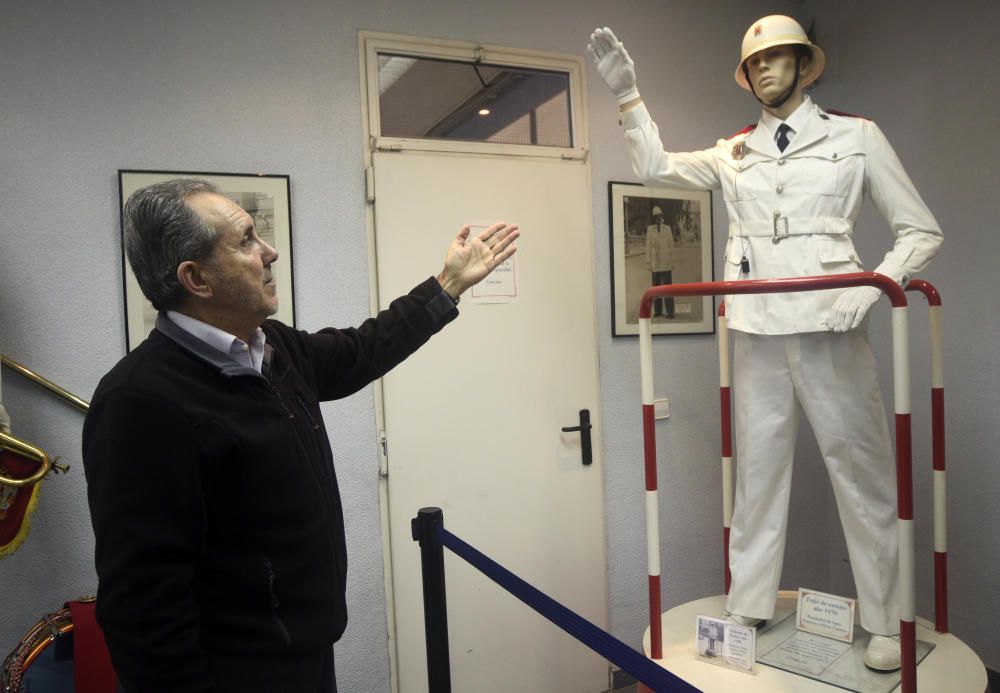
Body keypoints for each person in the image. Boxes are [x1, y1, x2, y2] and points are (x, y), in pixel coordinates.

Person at [589, 15, 942, 671]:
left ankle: (886, 617)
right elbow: (656, 166)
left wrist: (871, 289)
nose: (766, 70)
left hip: (831, 329)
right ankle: (748, 602)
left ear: (806, 65)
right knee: (755, 477)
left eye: (780, 58)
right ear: (745, 75)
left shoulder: (856, 137)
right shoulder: (733, 152)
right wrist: (629, 96)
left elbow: (919, 230)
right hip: (755, 333)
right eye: (756, 62)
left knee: (863, 477)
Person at [82, 178, 518, 692]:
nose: (270, 252)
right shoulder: (140, 403)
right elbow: (144, 610)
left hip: (304, 655)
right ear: (196, 278)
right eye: (246, 241)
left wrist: (448, 284)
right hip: (236, 676)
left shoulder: (272, 348)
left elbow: (362, 349)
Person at [645, 205, 675, 318]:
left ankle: (670, 311)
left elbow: (671, 246)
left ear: (662, 216)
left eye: (659, 216)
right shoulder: (650, 229)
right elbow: (648, 246)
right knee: (656, 288)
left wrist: (672, 262)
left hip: (666, 263)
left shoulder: (667, 229)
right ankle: (657, 311)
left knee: (668, 289)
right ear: (654, 218)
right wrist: (648, 262)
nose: (658, 218)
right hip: (655, 263)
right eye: (655, 216)